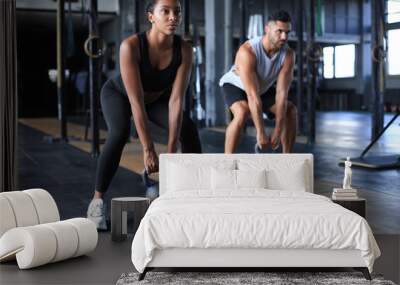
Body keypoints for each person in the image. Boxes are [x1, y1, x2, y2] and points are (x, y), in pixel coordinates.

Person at [87, 0, 202, 229]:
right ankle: (97, 201)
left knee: (187, 128)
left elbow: (176, 100)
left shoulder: (185, 50)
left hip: (155, 98)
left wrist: (170, 157)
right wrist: (148, 149)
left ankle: (191, 193)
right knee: (119, 134)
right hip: (120, 95)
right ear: (151, 16)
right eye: (165, 12)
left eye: (176, 12)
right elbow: (135, 100)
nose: (173, 17)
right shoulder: (130, 46)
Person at [219, 10, 297, 153]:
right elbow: (252, 97)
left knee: (290, 110)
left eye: (287, 32)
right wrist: (260, 132)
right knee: (242, 112)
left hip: (261, 88)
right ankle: (227, 162)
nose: (284, 37)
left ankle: (288, 160)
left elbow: (281, 94)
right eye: (279, 31)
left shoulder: (288, 55)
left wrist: (278, 130)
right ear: (267, 29)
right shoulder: (248, 51)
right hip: (236, 85)